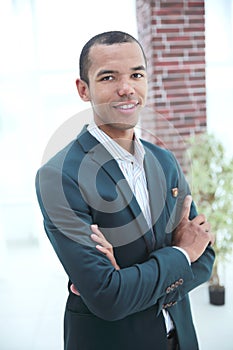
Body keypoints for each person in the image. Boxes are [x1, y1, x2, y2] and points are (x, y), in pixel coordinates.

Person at [35, 31, 215, 350]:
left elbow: (205, 260)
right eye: (108, 77)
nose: (126, 88)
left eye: (136, 74)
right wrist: (181, 253)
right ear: (83, 89)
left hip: (182, 340)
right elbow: (109, 298)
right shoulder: (59, 177)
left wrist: (130, 282)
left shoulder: (164, 161)